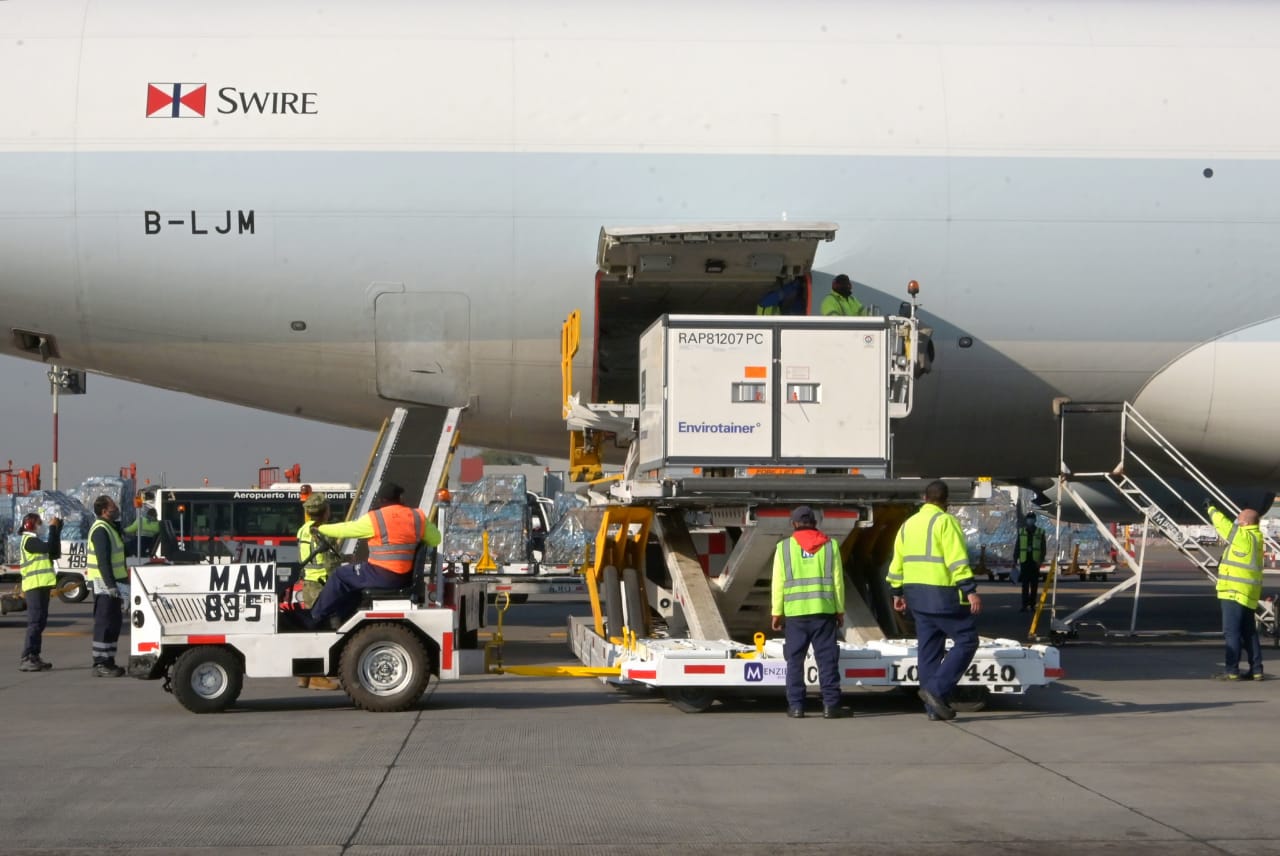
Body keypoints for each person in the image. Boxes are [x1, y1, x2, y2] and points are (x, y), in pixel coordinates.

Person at [887, 480, 982, 721]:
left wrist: (896, 592)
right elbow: (957, 560)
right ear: (946, 501)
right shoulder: (945, 522)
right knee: (967, 640)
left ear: (924, 498)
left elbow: (897, 561)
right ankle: (936, 691)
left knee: (929, 650)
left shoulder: (908, 525)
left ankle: (934, 709)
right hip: (942, 595)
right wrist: (969, 590)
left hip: (916, 597)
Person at [308, 482, 441, 628]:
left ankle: (314, 617)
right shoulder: (418, 517)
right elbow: (436, 539)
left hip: (381, 575)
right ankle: (341, 618)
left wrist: (321, 529)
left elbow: (346, 529)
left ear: (381, 500)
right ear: (401, 498)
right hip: (405, 578)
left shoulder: (376, 518)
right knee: (355, 584)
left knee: (340, 575)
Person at [770, 505, 847, 719]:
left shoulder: (784, 548)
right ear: (815, 523)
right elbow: (838, 582)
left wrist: (776, 612)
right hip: (824, 612)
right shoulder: (831, 546)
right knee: (827, 660)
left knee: (795, 661)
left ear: (794, 524)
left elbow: (778, 583)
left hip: (795, 614)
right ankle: (830, 706)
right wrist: (840, 610)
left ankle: (796, 706)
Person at [1206, 502, 1264, 680]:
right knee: (1249, 633)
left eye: (1239, 518)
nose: (1236, 520)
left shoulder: (1243, 537)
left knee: (1232, 632)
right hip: (1248, 593)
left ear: (1245, 523)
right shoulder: (1257, 537)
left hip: (1234, 591)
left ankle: (1231, 670)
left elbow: (1223, 525)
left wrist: (1211, 508)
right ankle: (1257, 670)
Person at [295, 492, 340, 689]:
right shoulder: (325, 532)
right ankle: (317, 676)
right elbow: (331, 564)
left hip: (308, 585)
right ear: (325, 512)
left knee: (311, 629)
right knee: (323, 631)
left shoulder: (302, 530)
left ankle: (305, 675)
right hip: (322, 586)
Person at [86, 495, 128, 677]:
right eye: (113, 507)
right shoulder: (100, 530)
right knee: (104, 623)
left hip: (115, 584)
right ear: (104, 511)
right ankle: (100, 663)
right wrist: (111, 585)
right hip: (105, 585)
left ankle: (109, 660)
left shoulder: (110, 528)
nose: (116, 509)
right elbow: (103, 562)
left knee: (113, 623)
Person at [17, 512, 62, 671]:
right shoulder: (29, 541)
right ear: (30, 525)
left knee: (40, 622)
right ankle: (27, 657)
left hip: (41, 585)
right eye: (39, 522)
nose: (41, 525)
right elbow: (48, 548)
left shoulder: (36, 541)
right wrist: (52, 528)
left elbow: (54, 552)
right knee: (35, 622)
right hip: (34, 586)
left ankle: (34, 655)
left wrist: (57, 530)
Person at [1014, 512, 1047, 612]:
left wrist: (1040, 560)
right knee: (1025, 584)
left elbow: (1043, 548)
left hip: (1034, 562)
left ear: (1035, 520)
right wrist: (1015, 558)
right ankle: (1024, 604)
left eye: (1032, 519)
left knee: (1034, 584)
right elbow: (1017, 546)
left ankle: (1032, 604)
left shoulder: (1040, 532)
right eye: (1029, 519)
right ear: (1026, 520)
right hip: (1024, 561)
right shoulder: (1022, 532)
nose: (1030, 520)